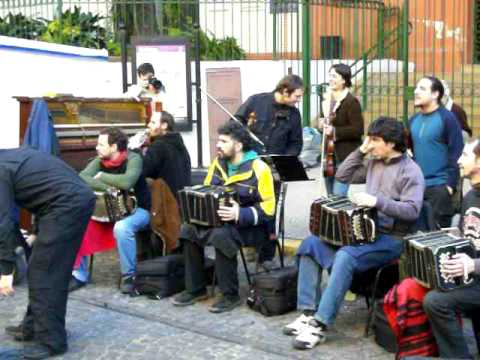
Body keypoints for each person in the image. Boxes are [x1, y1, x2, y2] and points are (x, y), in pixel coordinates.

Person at [283, 117, 425, 350]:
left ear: (391, 143)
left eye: (375, 140)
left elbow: (412, 210)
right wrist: (361, 150)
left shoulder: (411, 171)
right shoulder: (373, 162)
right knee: (310, 244)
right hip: (364, 233)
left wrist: (377, 201)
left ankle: (321, 323)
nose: (371, 144)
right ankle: (308, 312)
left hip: (393, 239)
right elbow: (342, 176)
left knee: (346, 255)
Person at [171, 120, 275, 313]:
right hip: (218, 221)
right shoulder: (218, 164)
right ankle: (196, 289)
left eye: (224, 141)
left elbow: (269, 208)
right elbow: (208, 191)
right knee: (188, 230)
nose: (218, 145)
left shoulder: (260, 168)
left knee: (221, 235)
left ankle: (230, 295)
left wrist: (240, 213)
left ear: (238, 145)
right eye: (219, 140)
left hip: (251, 227)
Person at [1, 147, 95, 359]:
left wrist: (6, 270)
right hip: (65, 203)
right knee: (42, 266)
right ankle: (33, 326)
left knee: (46, 272)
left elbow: (3, 223)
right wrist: (34, 235)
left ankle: (51, 342)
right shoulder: (8, 159)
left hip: (67, 206)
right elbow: (43, 189)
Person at [70, 127, 151, 293]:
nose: (96, 148)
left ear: (114, 147)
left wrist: (100, 176)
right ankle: (79, 274)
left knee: (122, 228)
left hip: (138, 210)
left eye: (101, 144)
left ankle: (129, 275)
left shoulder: (134, 159)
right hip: (106, 210)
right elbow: (82, 177)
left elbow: (127, 182)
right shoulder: (99, 160)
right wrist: (108, 188)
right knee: (79, 221)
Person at [423, 138, 480, 359]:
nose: (458, 160)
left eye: (465, 155)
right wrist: (450, 236)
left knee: (435, 302)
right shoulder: (470, 196)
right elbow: (468, 235)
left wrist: (472, 264)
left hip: (475, 274)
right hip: (473, 278)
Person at [409, 76, 463, 228]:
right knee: (416, 239)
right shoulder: (413, 120)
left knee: (436, 239)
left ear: (436, 94)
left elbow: (456, 154)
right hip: (417, 188)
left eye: (422, 88)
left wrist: (449, 186)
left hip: (440, 188)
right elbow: (410, 153)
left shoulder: (447, 118)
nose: (416, 91)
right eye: (416, 87)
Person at [317, 63, 364, 196]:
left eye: (334, 76)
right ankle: (331, 217)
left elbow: (358, 130)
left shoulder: (351, 101)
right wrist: (321, 125)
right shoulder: (327, 99)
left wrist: (335, 131)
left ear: (344, 80)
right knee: (330, 195)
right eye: (330, 75)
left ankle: (341, 216)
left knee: (339, 195)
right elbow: (323, 123)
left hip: (345, 155)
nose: (330, 79)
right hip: (328, 154)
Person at [235, 74, 304, 156]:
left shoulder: (294, 114)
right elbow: (235, 123)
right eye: (297, 96)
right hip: (250, 160)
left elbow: (296, 143)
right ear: (285, 91)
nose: (299, 100)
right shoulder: (255, 101)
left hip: (278, 163)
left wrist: (286, 160)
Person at [143, 110, 191, 196]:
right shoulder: (180, 144)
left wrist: (136, 151)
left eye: (153, 122)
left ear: (164, 125)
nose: (148, 125)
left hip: (165, 202)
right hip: (182, 201)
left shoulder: (158, 146)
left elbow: (143, 171)